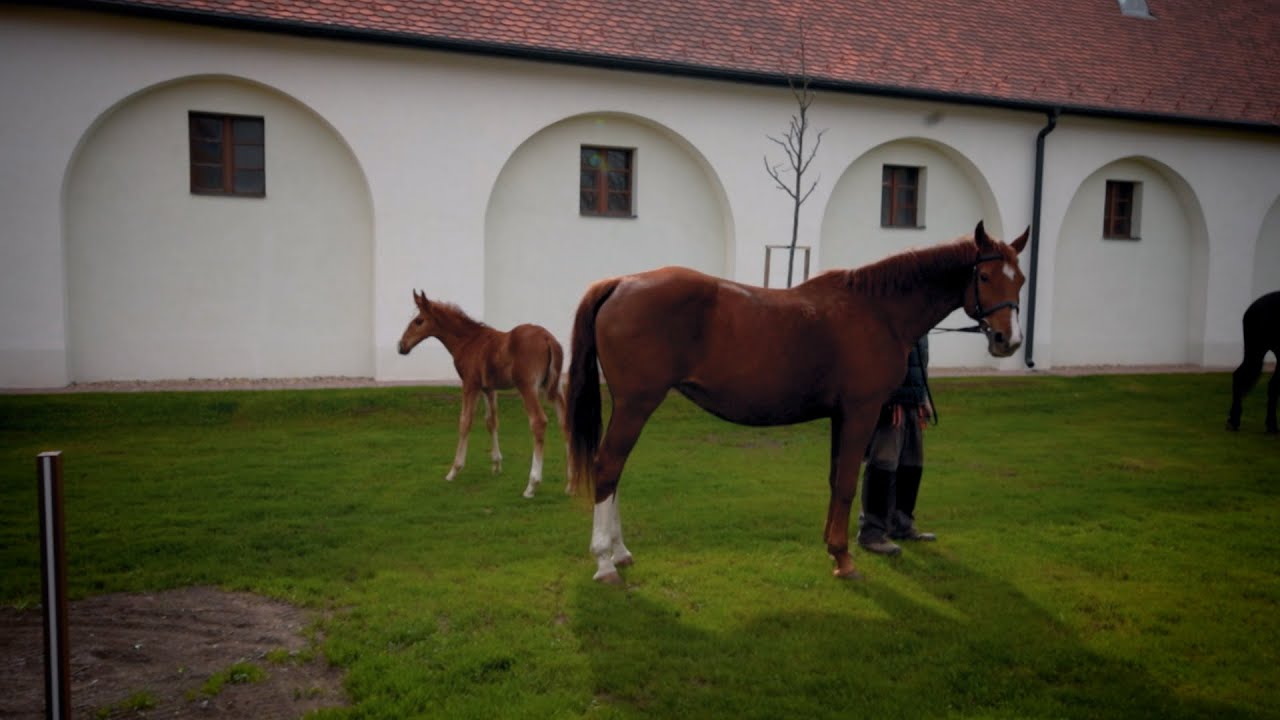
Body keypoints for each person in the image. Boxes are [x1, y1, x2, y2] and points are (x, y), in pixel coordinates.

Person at [858, 334, 936, 556]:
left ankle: (901, 525)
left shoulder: (921, 325)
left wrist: (924, 399)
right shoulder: (889, 318)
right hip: (891, 406)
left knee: (912, 466)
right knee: (883, 464)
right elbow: (874, 364)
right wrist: (888, 401)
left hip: (913, 403)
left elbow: (921, 363)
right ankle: (871, 533)